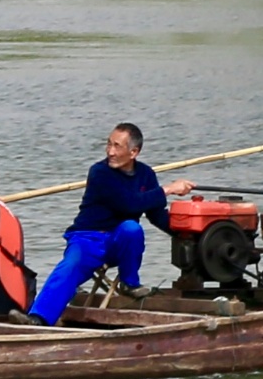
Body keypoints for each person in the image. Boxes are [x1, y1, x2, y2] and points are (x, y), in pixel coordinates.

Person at [31, 121, 170, 324]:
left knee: (132, 229)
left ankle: (129, 283)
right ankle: (38, 318)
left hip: (117, 241)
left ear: (133, 152)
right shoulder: (99, 172)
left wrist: (187, 232)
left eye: (117, 146)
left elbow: (157, 215)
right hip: (87, 238)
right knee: (69, 267)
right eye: (108, 144)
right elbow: (128, 204)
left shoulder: (146, 175)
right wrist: (167, 190)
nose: (110, 152)